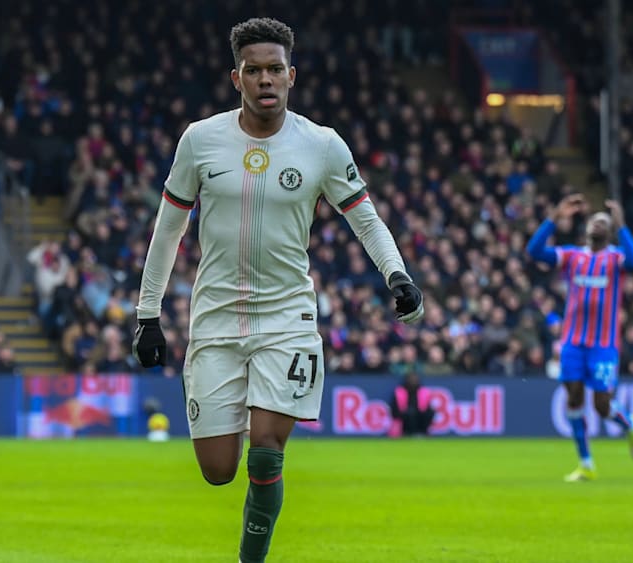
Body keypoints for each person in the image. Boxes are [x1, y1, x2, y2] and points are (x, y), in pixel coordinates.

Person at [131, 18, 423, 563]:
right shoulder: (199, 141)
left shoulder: (322, 145)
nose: (264, 79)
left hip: (288, 318)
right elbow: (168, 229)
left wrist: (397, 274)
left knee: (265, 452)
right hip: (216, 318)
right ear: (235, 78)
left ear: (291, 75)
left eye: (274, 69)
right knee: (218, 470)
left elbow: (366, 220)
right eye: (253, 70)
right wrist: (148, 314)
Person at [526, 193, 633, 482]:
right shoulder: (572, 256)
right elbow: (534, 251)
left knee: (602, 406)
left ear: (610, 231)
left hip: (604, 345)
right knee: (574, 397)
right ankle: (586, 463)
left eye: (604, 221)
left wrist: (622, 226)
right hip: (572, 342)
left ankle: (630, 423)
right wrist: (554, 217)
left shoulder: (616, 258)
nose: (598, 223)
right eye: (595, 220)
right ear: (587, 228)